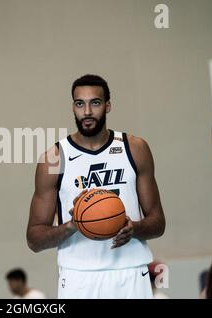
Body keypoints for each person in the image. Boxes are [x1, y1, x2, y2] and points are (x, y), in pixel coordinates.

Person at [26, 74, 166, 299]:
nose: (87, 111)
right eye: (80, 103)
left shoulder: (135, 149)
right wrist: (71, 226)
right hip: (78, 277)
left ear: (108, 106)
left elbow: (158, 223)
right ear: (73, 107)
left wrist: (134, 229)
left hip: (130, 272)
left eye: (95, 103)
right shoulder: (54, 158)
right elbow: (34, 239)